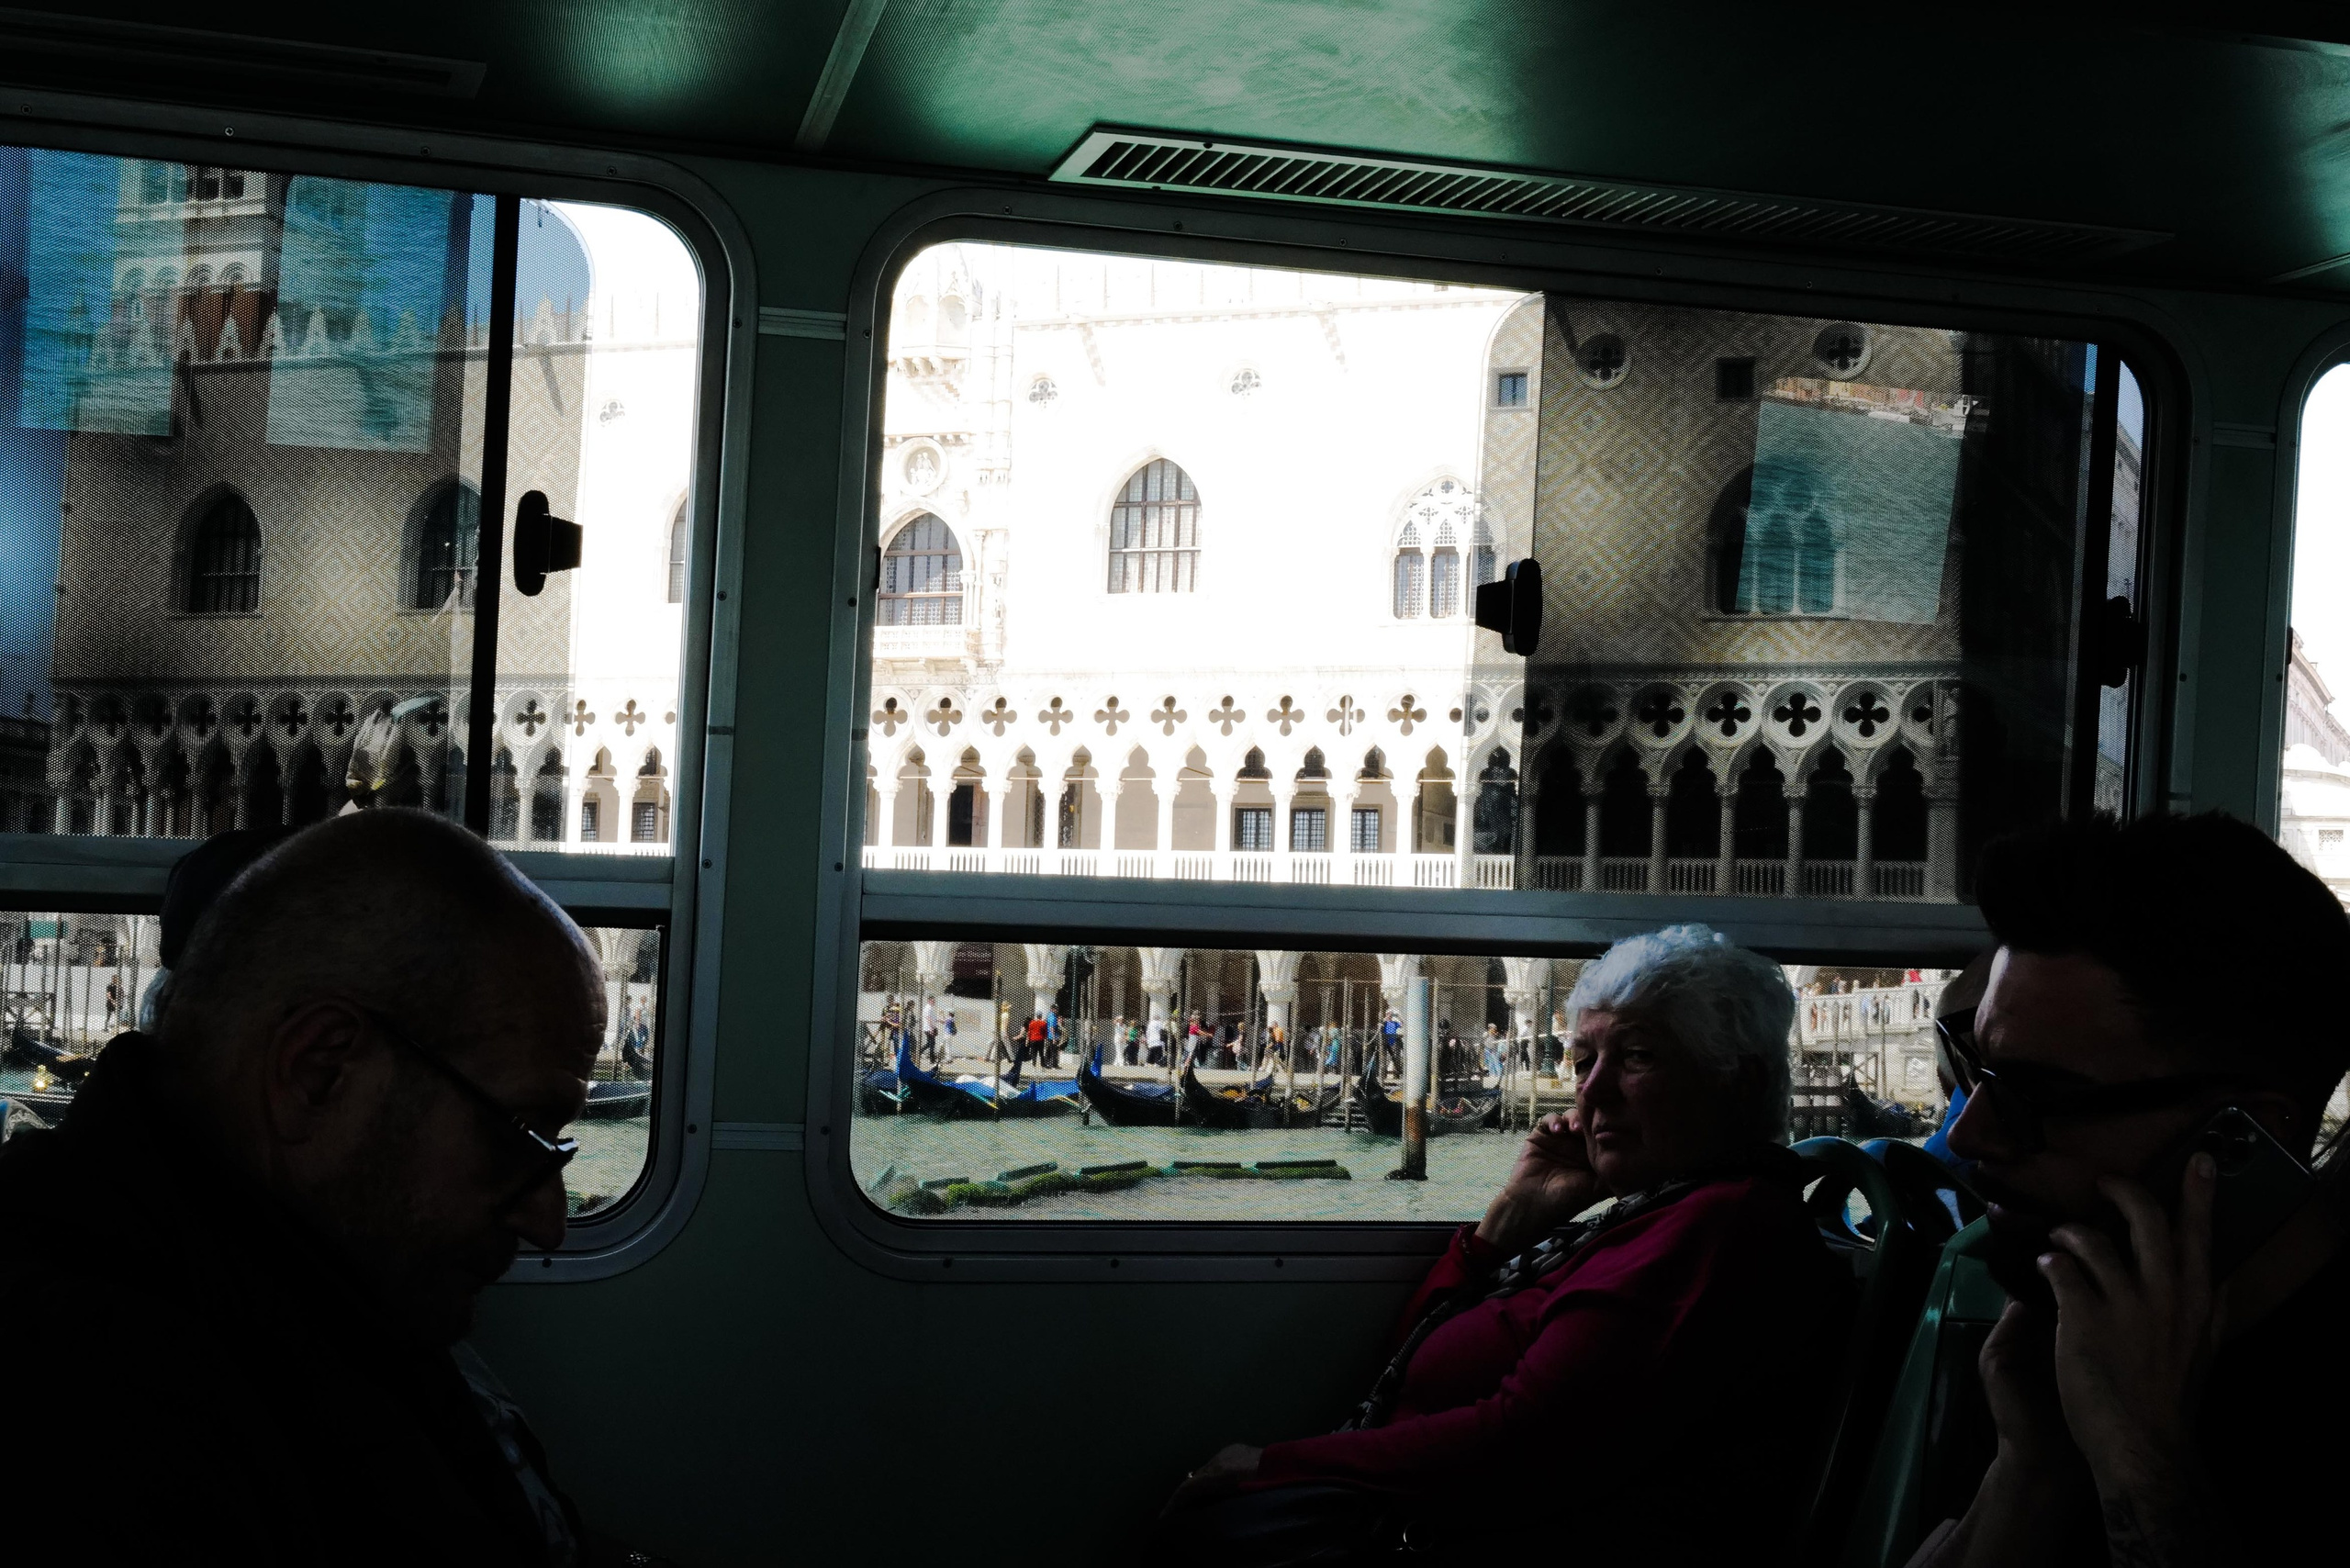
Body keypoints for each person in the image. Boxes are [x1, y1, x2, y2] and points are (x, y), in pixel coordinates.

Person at [0, 811, 652, 1563]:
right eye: (519, 1132)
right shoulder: (92, 1420)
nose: (549, 1220)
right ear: (319, 1073)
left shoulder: (333, 1285)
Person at [1159, 925, 1852, 1566]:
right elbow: (1416, 1356)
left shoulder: (1716, 1233)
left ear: (1740, 1080)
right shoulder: (1644, 1218)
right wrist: (1508, 1224)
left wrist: (1276, 1464)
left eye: (1638, 1056)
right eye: (1584, 1060)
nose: (1592, 1090)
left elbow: (1520, 1444)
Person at [1908, 813, 2350, 1567]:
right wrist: (2031, 1472)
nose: (1967, 1136)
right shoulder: (2051, 1347)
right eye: (1975, 1068)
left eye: (2039, 1094)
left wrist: (2140, 1458)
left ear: (2243, 1137)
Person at [921, 993, 940, 1065]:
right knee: (932, 1044)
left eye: (934, 1000)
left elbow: (933, 1018)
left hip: (930, 1028)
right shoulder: (928, 1008)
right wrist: (932, 1028)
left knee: (929, 1044)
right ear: (929, 1001)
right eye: (933, 1001)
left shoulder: (931, 1008)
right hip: (929, 1028)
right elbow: (928, 1018)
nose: (934, 1002)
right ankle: (932, 1060)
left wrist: (939, 1020)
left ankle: (919, 1052)